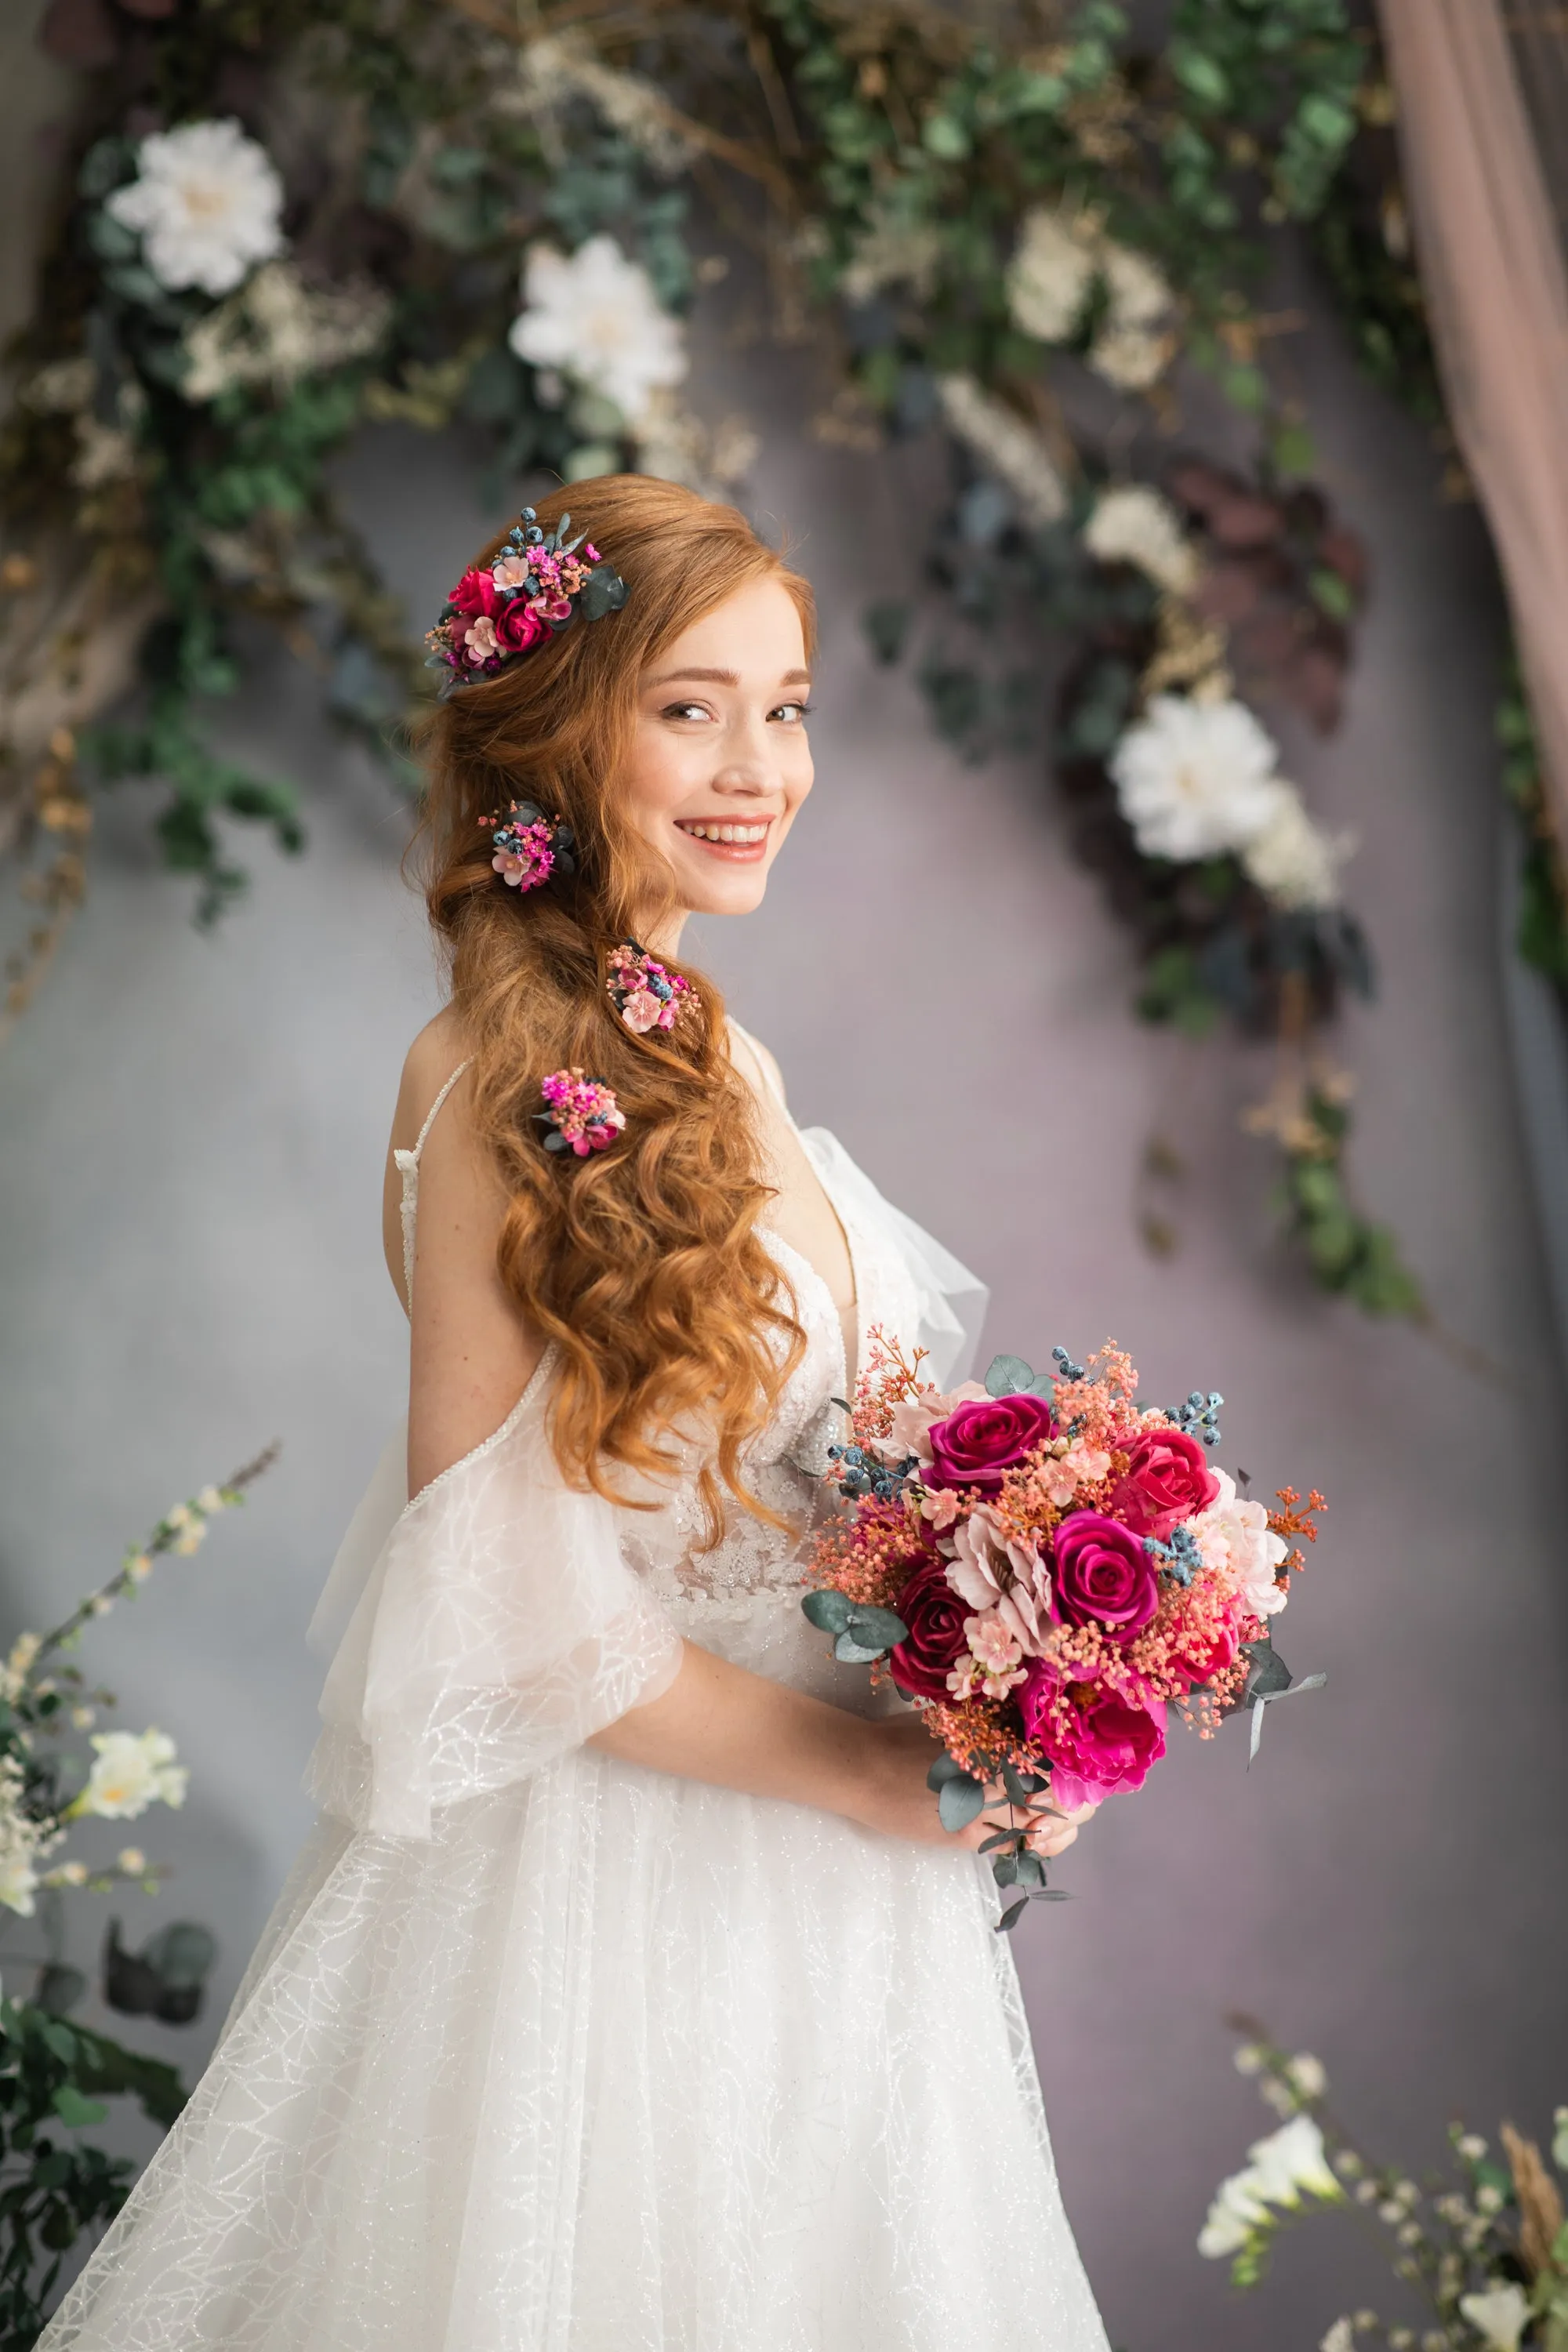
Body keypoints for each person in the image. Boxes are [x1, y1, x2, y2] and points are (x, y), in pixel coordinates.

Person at [39, 477, 1109, 2350]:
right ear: (553, 733)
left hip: (835, 1905)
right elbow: (511, 1607)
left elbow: (815, 1489)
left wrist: (1013, 1683)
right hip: (605, 1914)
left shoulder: (722, 1048)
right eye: (686, 705)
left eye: (784, 707)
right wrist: (869, 1773)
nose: (756, 764)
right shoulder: (480, 1082)